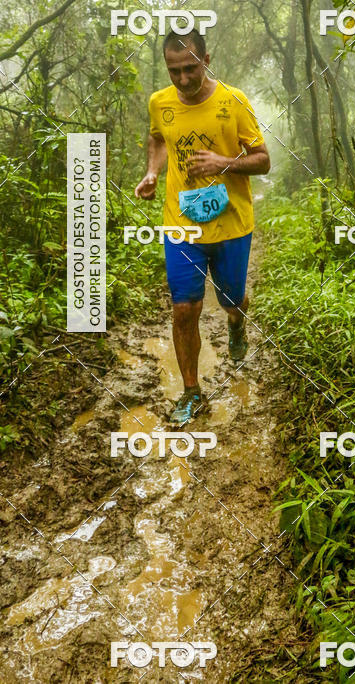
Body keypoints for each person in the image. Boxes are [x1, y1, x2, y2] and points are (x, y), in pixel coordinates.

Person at [135, 27, 270, 424]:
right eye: (174, 70)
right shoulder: (160, 102)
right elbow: (159, 138)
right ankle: (192, 392)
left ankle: (236, 323)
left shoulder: (234, 101)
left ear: (207, 61)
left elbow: (262, 160)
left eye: (190, 69)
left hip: (231, 225)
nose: (182, 79)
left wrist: (223, 163)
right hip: (181, 225)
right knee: (183, 310)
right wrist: (152, 173)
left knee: (231, 300)